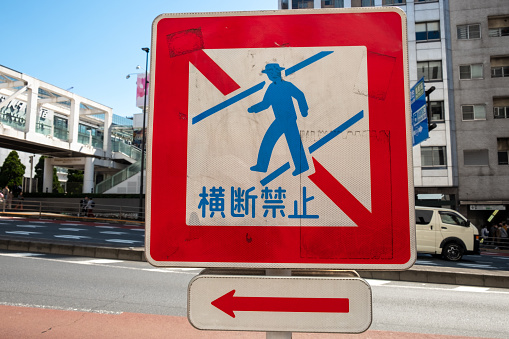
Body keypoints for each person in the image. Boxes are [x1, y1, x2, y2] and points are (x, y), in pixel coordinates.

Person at [248, 63, 309, 176]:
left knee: (292, 143)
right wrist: (253, 108)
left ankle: (302, 167)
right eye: (269, 74)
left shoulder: (287, 85)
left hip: (289, 119)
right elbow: (266, 104)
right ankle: (262, 166)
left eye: (272, 73)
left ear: (277, 73)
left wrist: (304, 111)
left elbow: (300, 95)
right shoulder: (271, 88)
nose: (270, 76)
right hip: (280, 119)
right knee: (271, 141)